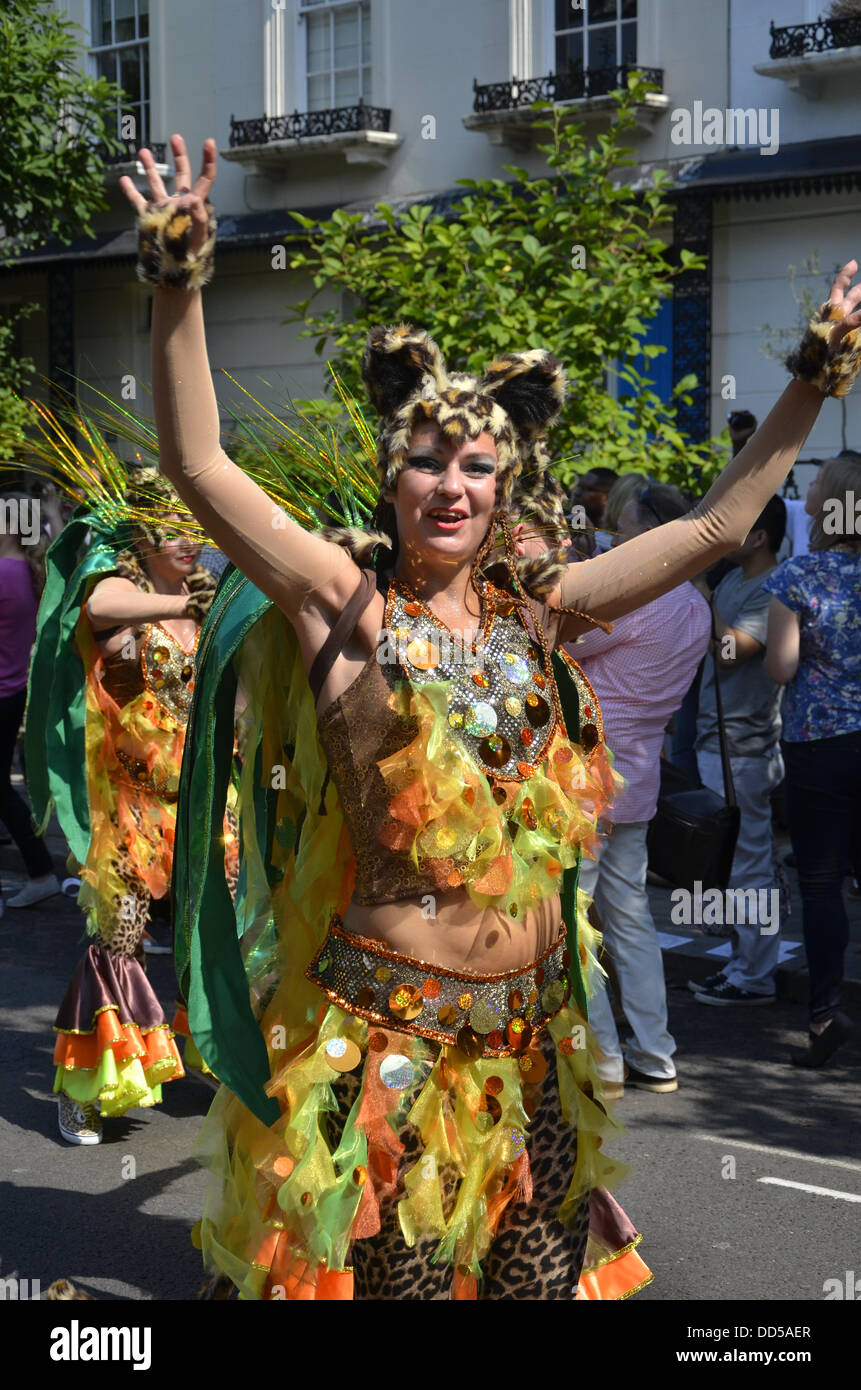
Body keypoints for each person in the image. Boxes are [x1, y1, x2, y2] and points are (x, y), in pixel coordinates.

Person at [122, 133, 861, 1301]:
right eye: (425, 461)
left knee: (532, 1295)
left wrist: (812, 381)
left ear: (506, 481)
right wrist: (178, 284)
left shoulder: (543, 615)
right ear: (392, 477)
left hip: (534, 1045)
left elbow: (717, 530)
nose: (451, 483)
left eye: (474, 462)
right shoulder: (344, 606)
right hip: (395, 1052)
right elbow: (200, 464)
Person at [10, 444, 225, 1144]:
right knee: (119, 940)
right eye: (168, 528)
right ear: (138, 535)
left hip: (201, 807)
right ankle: (86, 1092)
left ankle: (217, 1059)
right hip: (130, 814)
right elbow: (98, 603)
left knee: (218, 936)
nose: (187, 540)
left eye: (192, 525)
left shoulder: (204, 610)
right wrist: (182, 602)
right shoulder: (122, 603)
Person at [567, 485, 711, 1096]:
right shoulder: (697, 606)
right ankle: (655, 1050)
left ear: (653, 533)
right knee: (629, 918)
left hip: (588, 774)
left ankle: (602, 1056)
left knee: (573, 918)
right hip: (641, 773)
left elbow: (562, 639)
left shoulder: (636, 599)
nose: (613, 538)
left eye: (623, 529)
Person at [763, 453, 861, 1067]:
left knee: (822, 886)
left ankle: (826, 1017)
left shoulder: (798, 577)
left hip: (818, 744)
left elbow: (781, 666)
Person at [689, 496, 787, 1005]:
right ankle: (739, 965)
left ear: (760, 538)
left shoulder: (771, 590)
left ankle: (755, 977)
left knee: (750, 865)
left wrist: (702, 591)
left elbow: (730, 653)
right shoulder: (734, 581)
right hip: (717, 742)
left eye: (739, 529)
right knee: (732, 861)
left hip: (745, 749)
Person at [0, 492, 59, 906]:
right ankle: (40, 871)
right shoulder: (31, 572)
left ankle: (40, 871)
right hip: (12, 691)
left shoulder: (3, 573)